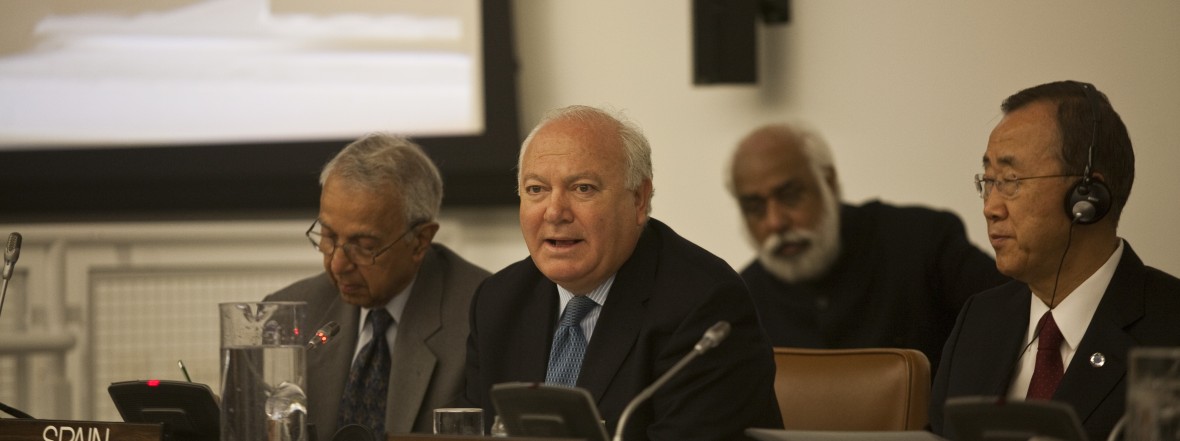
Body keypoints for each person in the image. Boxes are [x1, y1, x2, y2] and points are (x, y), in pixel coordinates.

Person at [464, 105, 783, 441]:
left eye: (583, 188)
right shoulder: (498, 301)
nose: (555, 212)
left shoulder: (705, 305)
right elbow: (470, 431)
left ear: (639, 200)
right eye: (536, 189)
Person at [928, 80, 1180, 441]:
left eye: (1011, 180)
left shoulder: (1169, 327)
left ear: (1087, 198)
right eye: (989, 181)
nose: (990, 208)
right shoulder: (979, 320)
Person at [727, 123, 1007, 371]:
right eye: (754, 208)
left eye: (790, 196)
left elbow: (1015, 315)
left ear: (828, 181)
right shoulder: (741, 302)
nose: (775, 222)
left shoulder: (922, 241)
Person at [265, 133, 490, 441]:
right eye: (328, 237)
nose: (337, 265)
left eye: (364, 246)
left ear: (420, 241)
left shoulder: (484, 317)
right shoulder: (289, 314)